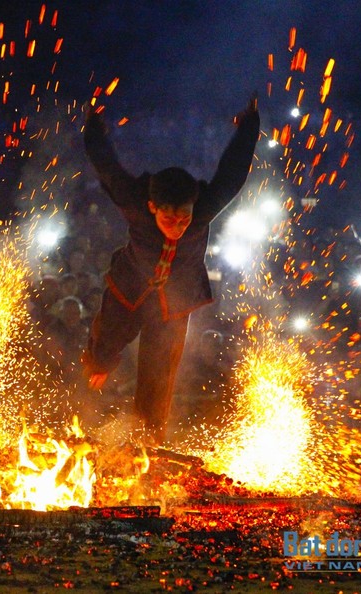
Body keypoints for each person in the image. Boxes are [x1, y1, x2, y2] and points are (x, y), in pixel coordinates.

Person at [81, 94, 260, 442]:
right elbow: (106, 166)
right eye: (168, 219)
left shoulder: (203, 208)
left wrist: (248, 126)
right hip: (130, 289)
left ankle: (148, 440)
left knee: (159, 373)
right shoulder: (134, 203)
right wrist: (93, 127)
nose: (177, 227)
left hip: (174, 302)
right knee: (104, 347)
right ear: (152, 207)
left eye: (184, 219)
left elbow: (233, 173)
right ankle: (98, 367)